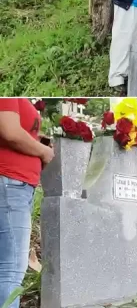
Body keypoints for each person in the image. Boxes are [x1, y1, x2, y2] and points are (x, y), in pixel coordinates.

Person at [0, 98, 53, 308]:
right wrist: (43, 152)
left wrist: (37, 139)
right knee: (11, 270)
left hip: (13, 184)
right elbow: (10, 131)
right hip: (10, 182)